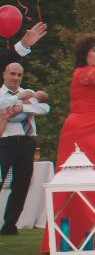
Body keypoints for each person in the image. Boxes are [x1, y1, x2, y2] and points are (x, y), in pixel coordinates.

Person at [0, 62, 49, 235]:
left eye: (19, 75)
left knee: (21, 185)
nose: (15, 78)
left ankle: (10, 225)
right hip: (5, 142)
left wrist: (22, 107)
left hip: (27, 142)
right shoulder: (6, 95)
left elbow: (44, 107)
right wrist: (18, 99)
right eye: (12, 74)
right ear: (4, 74)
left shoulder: (28, 93)